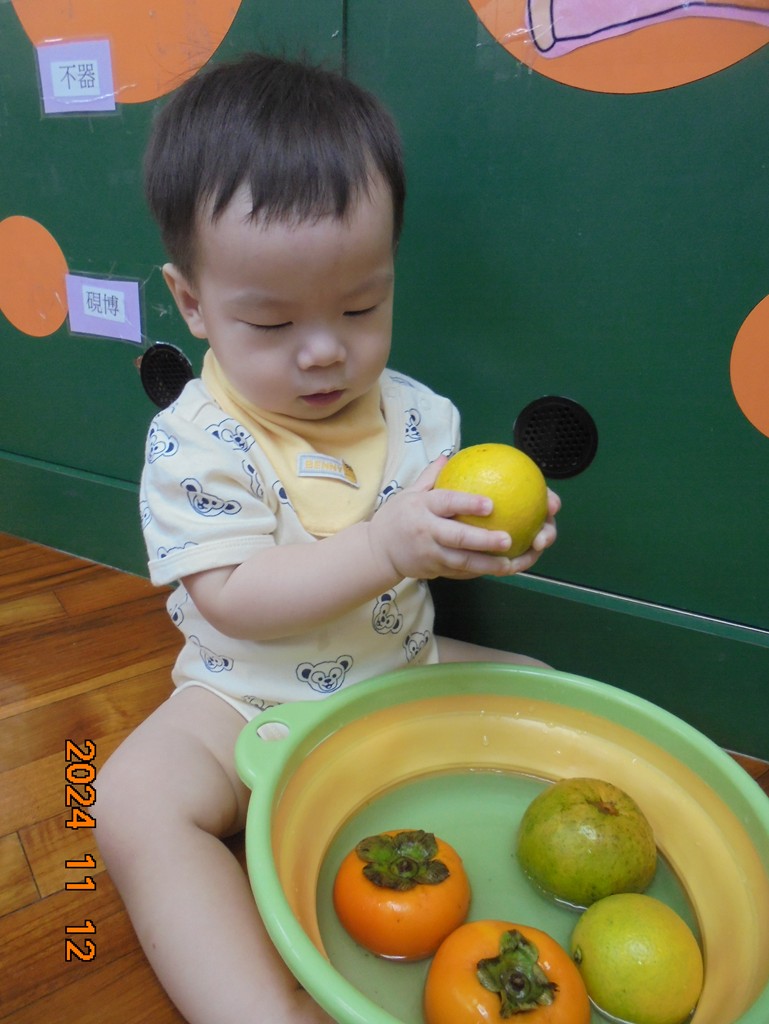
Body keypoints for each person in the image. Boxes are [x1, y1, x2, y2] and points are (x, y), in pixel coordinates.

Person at [96, 52, 560, 1024]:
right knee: (131, 802)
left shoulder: (421, 416)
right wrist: (388, 546)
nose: (324, 351)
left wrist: (484, 540)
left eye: (360, 307)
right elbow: (233, 599)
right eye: (269, 322)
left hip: (398, 668)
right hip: (242, 699)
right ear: (193, 303)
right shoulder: (195, 438)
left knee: (545, 691)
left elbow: (439, 539)